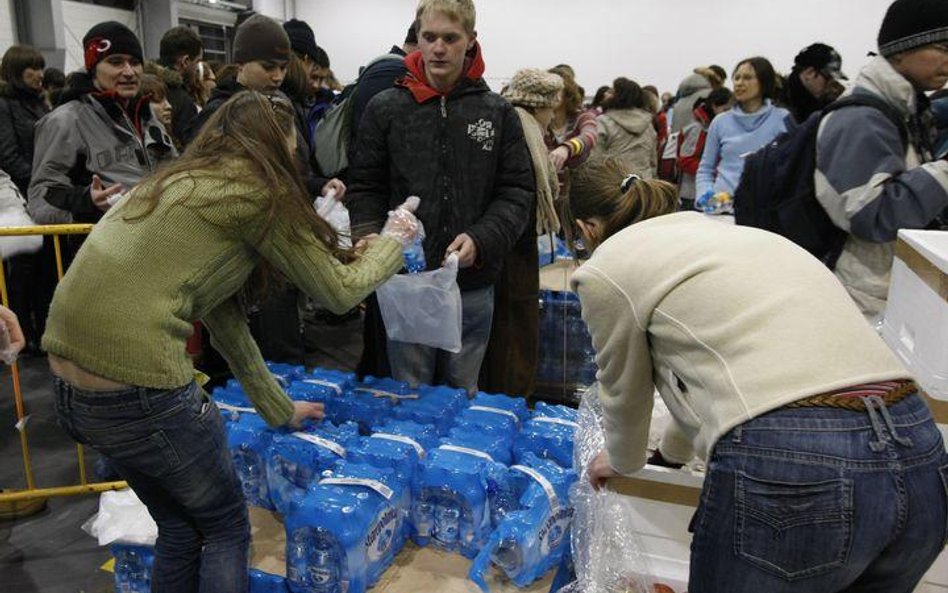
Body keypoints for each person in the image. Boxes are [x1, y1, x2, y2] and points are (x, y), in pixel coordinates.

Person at [47, 91, 417, 593]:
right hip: (139, 387)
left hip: (71, 392)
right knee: (224, 527)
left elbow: (223, 320)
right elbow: (339, 290)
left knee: (180, 525)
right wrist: (395, 239)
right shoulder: (252, 192)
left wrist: (276, 408)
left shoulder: (180, 182)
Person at [571, 157, 948, 593]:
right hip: (919, 446)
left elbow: (624, 390)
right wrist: (670, 458)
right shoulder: (737, 238)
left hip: (796, 460)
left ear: (586, 229)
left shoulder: (608, 269)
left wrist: (621, 460)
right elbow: (718, 380)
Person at [348, 0, 534, 393]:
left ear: (470, 42)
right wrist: (367, 233)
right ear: (417, 38)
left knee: (462, 392)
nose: (438, 48)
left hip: (472, 282)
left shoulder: (498, 113)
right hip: (406, 282)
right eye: (429, 37)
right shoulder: (386, 109)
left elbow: (517, 192)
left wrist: (482, 239)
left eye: (450, 38)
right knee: (409, 390)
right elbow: (365, 184)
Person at [816, 0, 948, 320]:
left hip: (887, 289)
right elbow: (873, 215)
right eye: (943, 47)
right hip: (864, 302)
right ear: (901, 50)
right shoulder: (860, 117)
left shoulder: (904, 108)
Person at [28, 22, 166, 226]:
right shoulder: (65, 121)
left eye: (135, 62)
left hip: (155, 238)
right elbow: (41, 199)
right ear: (93, 69)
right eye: (116, 62)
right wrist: (88, 203)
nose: (129, 72)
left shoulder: (146, 116)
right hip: (102, 247)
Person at [479, 68, 563, 397]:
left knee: (507, 327)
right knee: (514, 328)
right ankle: (511, 401)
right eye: (551, 106)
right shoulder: (522, 132)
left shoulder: (509, 122)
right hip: (513, 247)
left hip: (505, 245)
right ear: (537, 105)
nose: (554, 113)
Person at [696, 57, 790, 214]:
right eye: (737, 77)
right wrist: (705, 198)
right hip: (722, 214)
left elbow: (790, 169)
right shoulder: (720, 121)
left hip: (766, 215)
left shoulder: (783, 119)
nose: (739, 83)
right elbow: (705, 168)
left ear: (764, 82)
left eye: (747, 77)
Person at [677, 87, 733, 210]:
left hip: (713, 191)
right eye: (725, 109)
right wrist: (714, 170)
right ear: (714, 106)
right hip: (691, 194)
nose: (729, 113)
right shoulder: (697, 129)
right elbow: (685, 160)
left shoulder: (722, 127)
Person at [590, 77, 657, 178]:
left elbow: (594, 160)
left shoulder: (603, 122)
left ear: (620, 96)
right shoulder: (648, 124)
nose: (605, 94)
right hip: (643, 183)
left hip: (612, 184)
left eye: (611, 92)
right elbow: (653, 162)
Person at [157, 26, 203, 143]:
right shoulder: (183, 102)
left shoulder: (141, 90)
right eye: (197, 61)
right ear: (185, 61)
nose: (198, 69)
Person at [785, 43, 848, 123]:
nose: (833, 88)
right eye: (828, 78)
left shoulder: (821, 108)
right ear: (810, 73)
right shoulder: (782, 116)